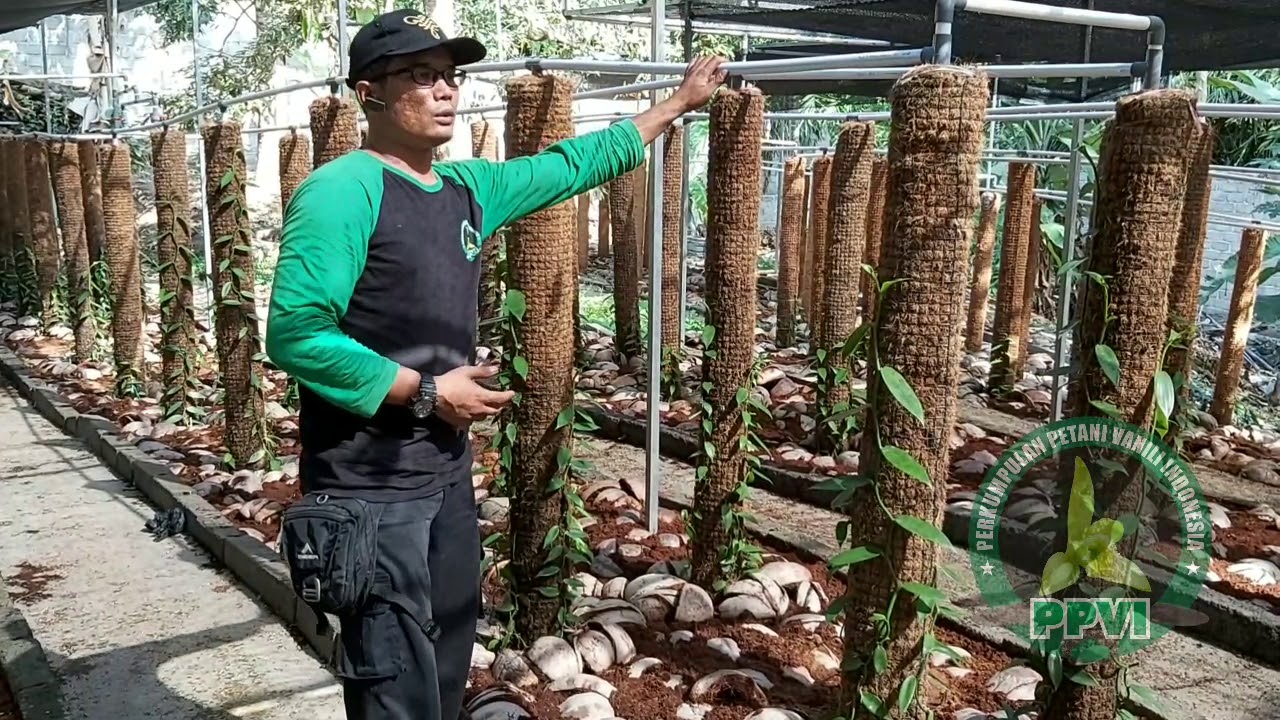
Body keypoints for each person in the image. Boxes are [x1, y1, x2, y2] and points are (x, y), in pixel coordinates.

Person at [264, 8, 727, 720]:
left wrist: (675, 104)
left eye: (449, 75)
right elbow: (296, 334)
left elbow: (572, 164)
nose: (445, 89)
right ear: (370, 92)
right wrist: (423, 393)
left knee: (448, 655)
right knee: (394, 677)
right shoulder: (343, 190)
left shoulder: (467, 188)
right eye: (421, 75)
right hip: (369, 486)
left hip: (444, 473)